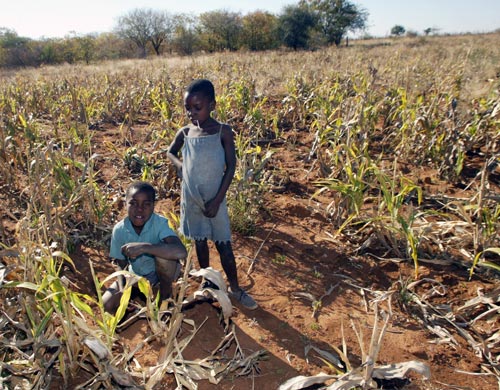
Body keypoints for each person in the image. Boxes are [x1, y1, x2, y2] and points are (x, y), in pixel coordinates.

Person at [167, 79, 258, 310]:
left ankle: (235, 288)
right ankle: (208, 286)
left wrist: (218, 200)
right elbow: (170, 152)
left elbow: (231, 166)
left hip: (215, 200)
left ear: (212, 105)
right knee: (200, 242)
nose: (191, 112)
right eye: (188, 108)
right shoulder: (186, 132)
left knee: (223, 244)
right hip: (192, 199)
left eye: (198, 107)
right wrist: (179, 165)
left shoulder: (222, 132)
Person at [102, 181, 187, 314]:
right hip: (136, 276)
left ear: (153, 206)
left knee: (165, 257)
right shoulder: (119, 230)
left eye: (146, 204)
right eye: (133, 203)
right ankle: (134, 302)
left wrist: (145, 248)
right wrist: (123, 289)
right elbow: (121, 263)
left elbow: (181, 251)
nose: (139, 209)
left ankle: (165, 298)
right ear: (125, 204)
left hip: (160, 276)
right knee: (107, 304)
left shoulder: (159, 224)